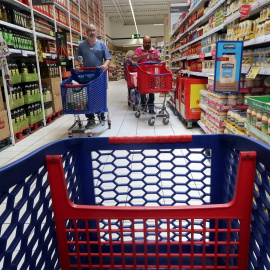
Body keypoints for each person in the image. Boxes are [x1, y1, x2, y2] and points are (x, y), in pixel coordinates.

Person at [74, 24, 111, 129]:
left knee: (99, 95)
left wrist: (105, 65)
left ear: (96, 32)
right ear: (86, 33)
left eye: (94, 30)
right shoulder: (82, 45)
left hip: (98, 75)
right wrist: (76, 65)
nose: (92, 32)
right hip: (85, 75)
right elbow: (76, 58)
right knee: (87, 97)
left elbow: (108, 58)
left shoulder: (102, 44)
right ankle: (90, 118)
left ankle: (101, 115)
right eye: (89, 30)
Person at [132, 35, 161, 114]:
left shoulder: (154, 50)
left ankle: (151, 107)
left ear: (151, 42)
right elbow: (134, 59)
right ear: (143, 43)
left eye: (149, 42)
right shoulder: (138, 50)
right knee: (142, 91)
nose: (147, 44)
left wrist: (156, 59)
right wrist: (141, 56)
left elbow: (159, 60)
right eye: (146, 42)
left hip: (152, 75)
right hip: (142, 75)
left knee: (151, 91)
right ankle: (143, 106)